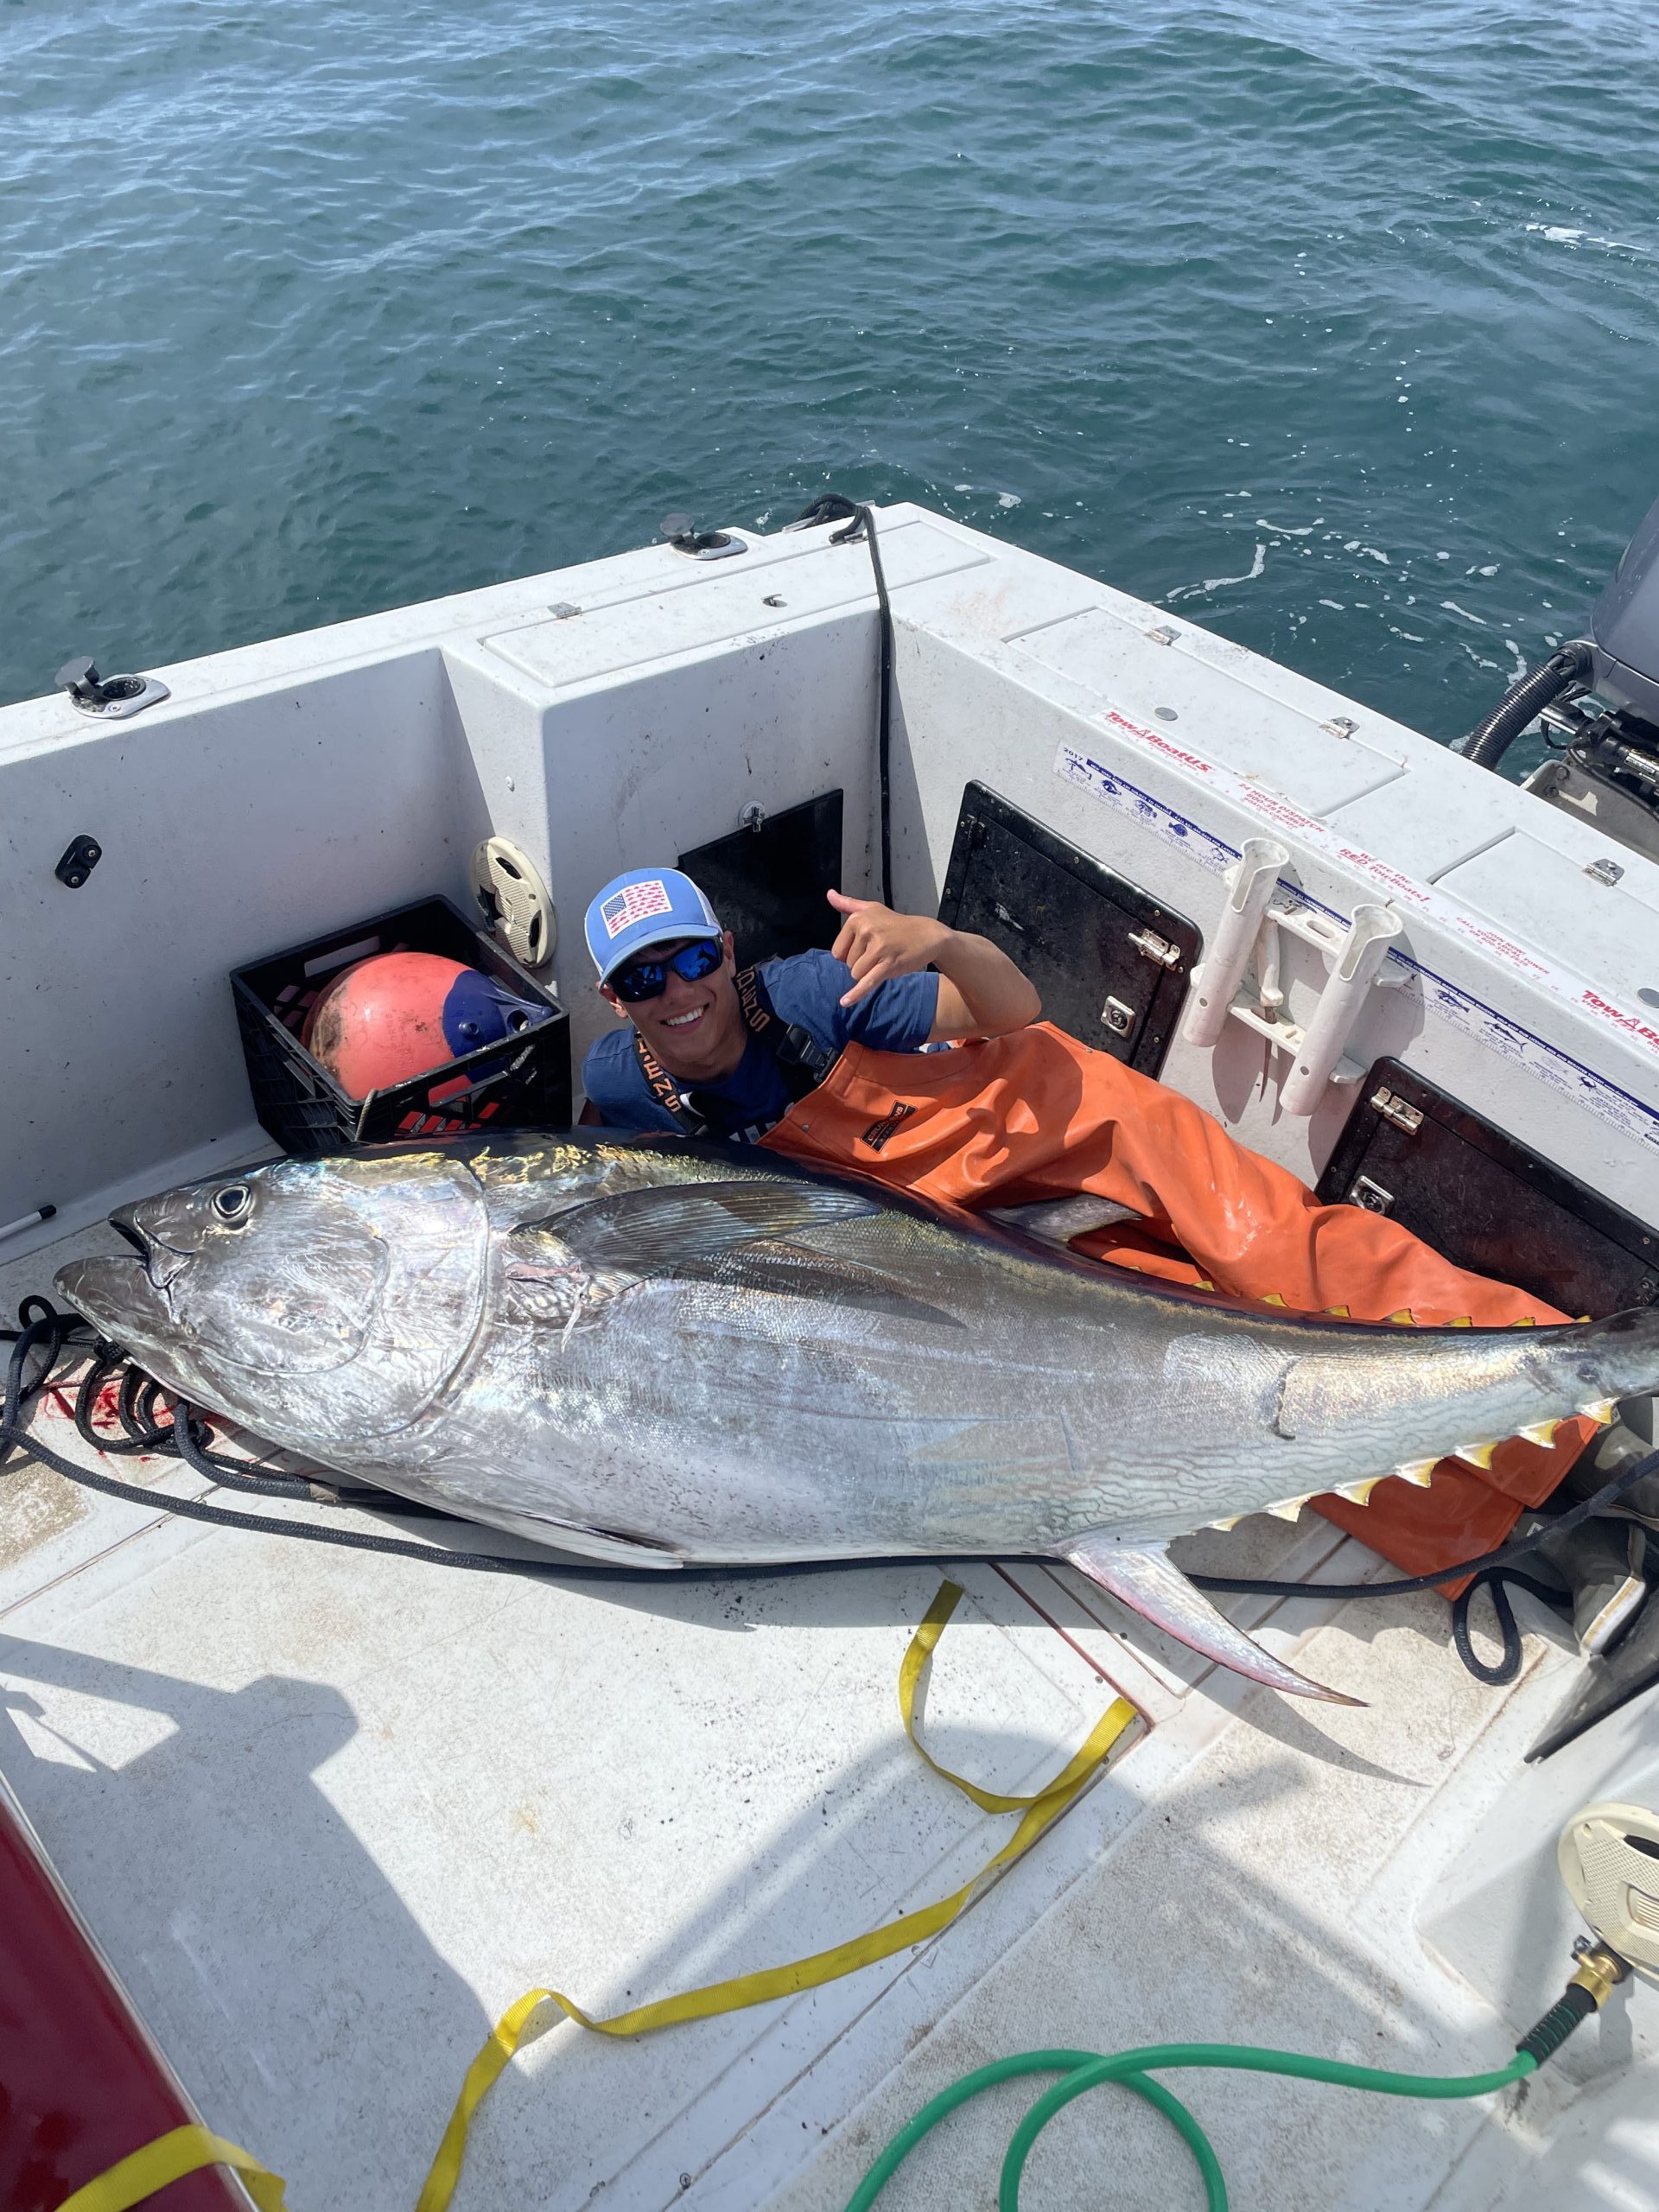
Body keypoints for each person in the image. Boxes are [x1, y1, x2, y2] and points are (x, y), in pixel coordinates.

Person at [579, 865, 1600, 1588]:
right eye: (641, 978)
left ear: (724, 950)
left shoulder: (807, 992)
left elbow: (1011, 1008)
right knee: (1209, 1366)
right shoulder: (619, 1087)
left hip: (1060, 1114)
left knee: (1278, 1249)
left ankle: (1580, 1406)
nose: (676, 993)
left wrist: (941, 942)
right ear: (610, 998)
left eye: (690, 959)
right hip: (954, 1218)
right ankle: (1507, 1524)